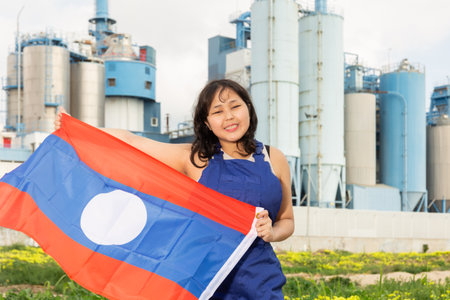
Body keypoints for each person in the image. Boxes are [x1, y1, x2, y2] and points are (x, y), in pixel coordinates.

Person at [55, 79, 294, 299]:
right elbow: (132, 142)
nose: (229, 117)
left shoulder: (275, 159)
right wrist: (77, 128)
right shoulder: (196, 159)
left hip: (260, 281)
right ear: (207, 123)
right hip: (204, 281)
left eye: (235, 106)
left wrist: (272, 232)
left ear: (248, 109)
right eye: (218, 112)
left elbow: (286, 220)